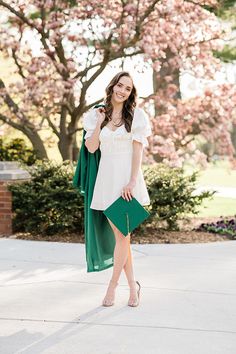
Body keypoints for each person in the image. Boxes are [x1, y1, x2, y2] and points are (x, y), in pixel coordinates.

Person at [82, 71, 152, 307]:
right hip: (106, 179)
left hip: (127, 182)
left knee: (122, 236)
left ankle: (113, 287)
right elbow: (92, 148)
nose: (122, 91)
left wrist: (132, 181)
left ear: (131, 93)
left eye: (128, 88)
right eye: (120, 86)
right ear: (112, 87)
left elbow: (137, 150)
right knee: (123, 238)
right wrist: (100, 123)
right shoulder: (96, 115)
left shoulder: (137, 116)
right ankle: (133, 286)